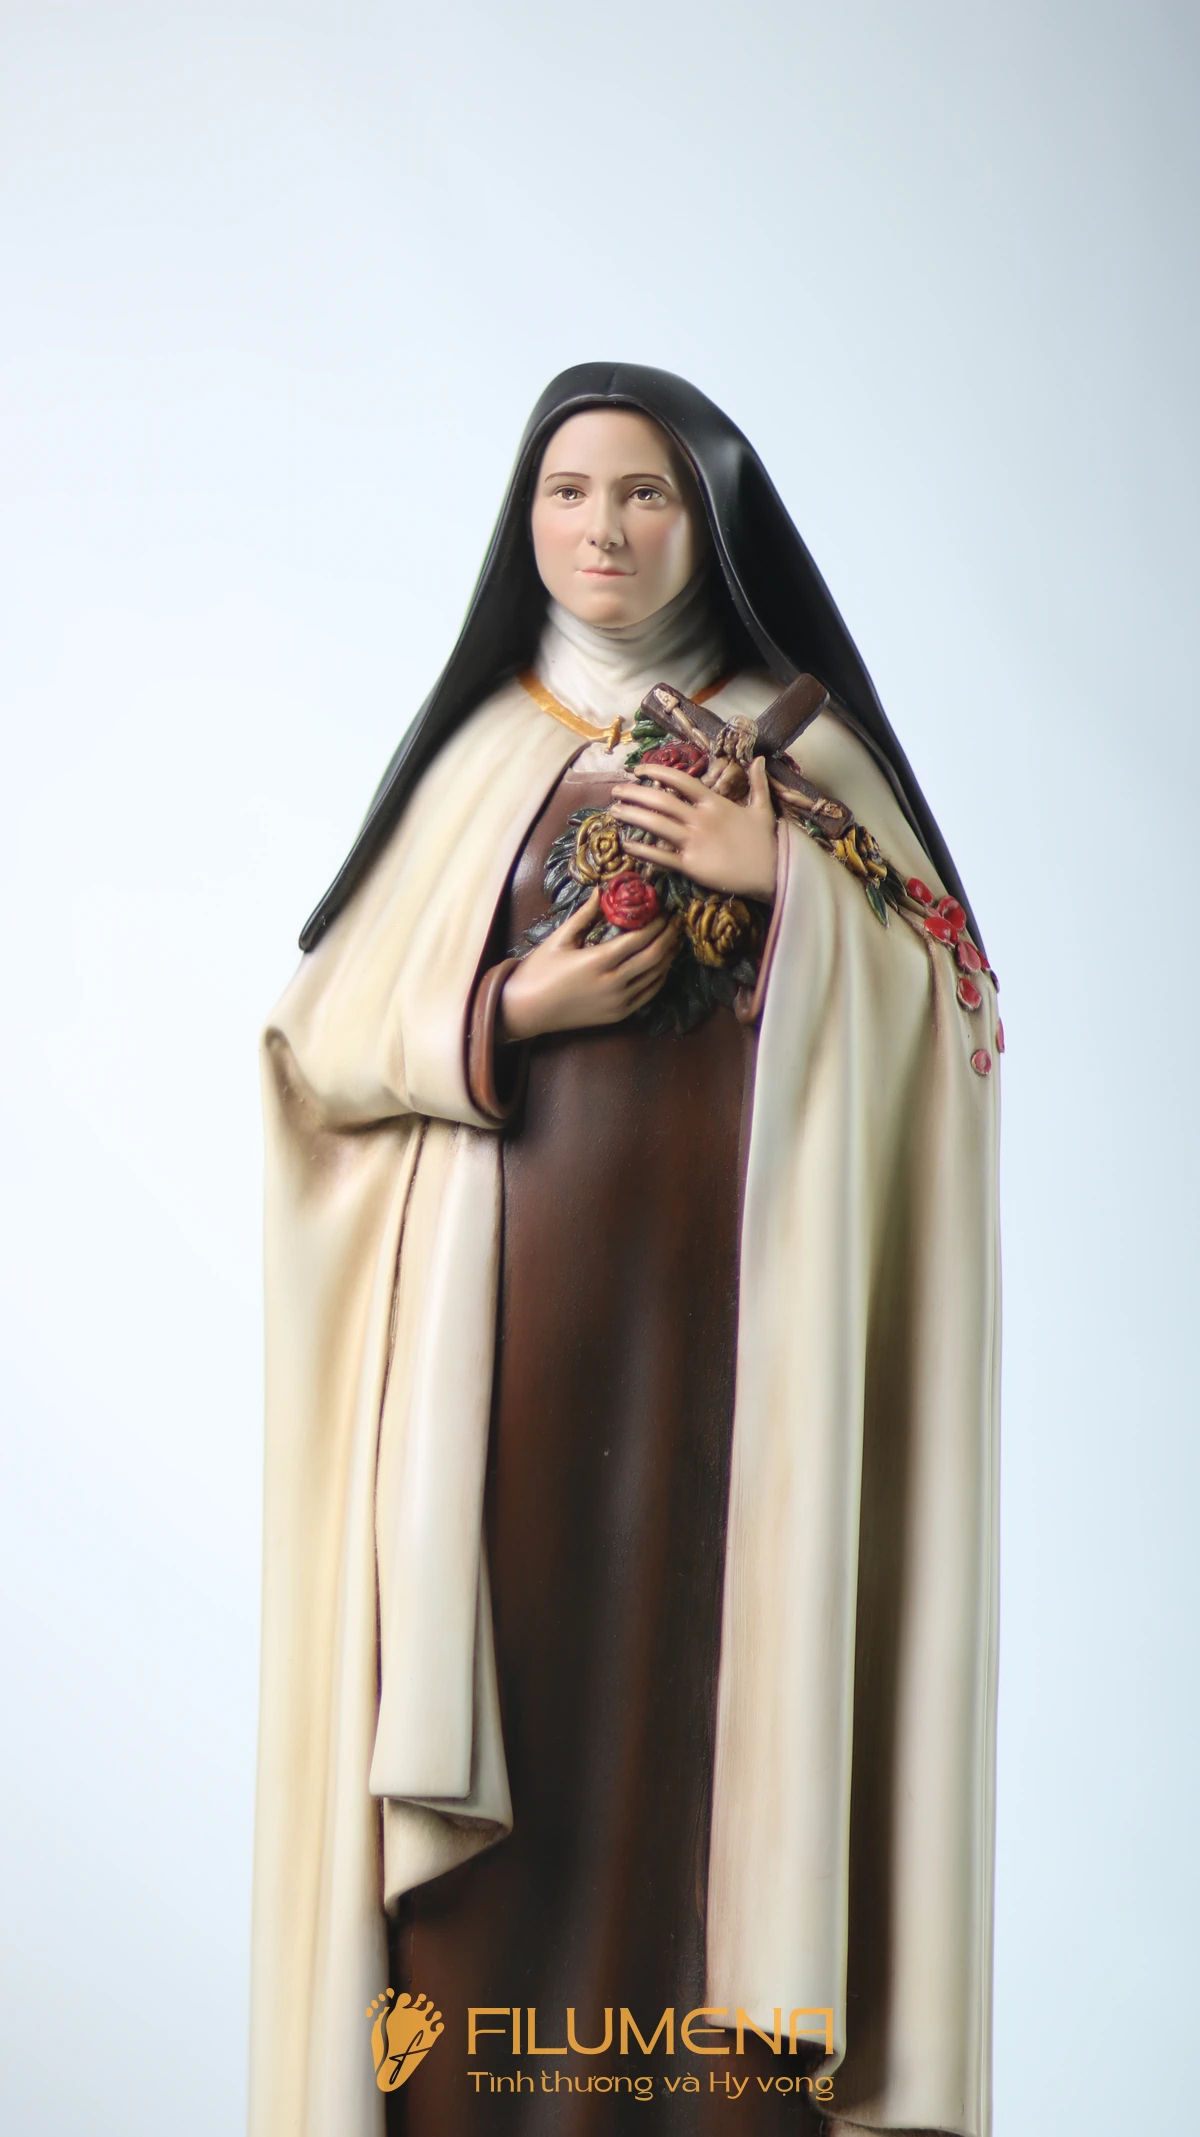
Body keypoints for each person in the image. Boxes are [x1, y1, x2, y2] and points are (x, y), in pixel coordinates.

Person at [249, 364, 1001, 2137]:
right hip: (506, 1353)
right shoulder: (480, 755)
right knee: (519, 1717)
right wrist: (511, 1007)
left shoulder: (803, 759)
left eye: (645, 493)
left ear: (709, 518)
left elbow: (958, 1011)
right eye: (568, 491)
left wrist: (786, 882)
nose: (602, 529)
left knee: (710, 1720)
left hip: (742, 1356)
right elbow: (313, 1046)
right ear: (526, 517)